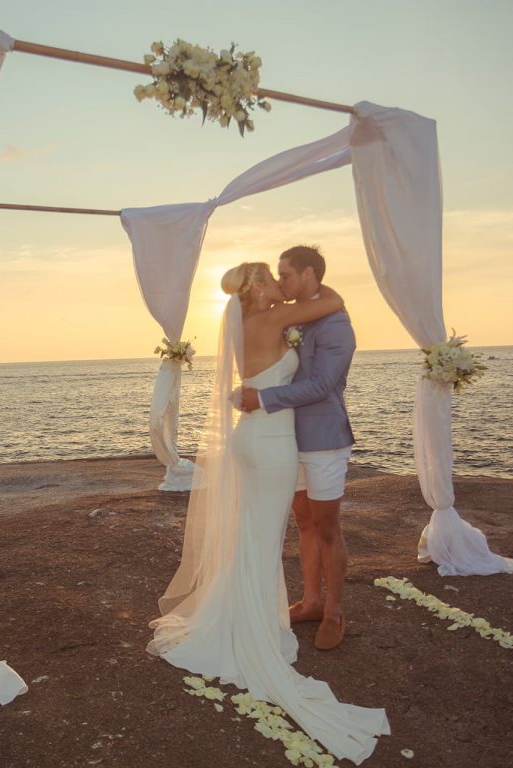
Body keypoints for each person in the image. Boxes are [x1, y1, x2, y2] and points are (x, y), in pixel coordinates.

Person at [149, 262, 389, 764]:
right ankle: (253, 629)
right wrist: (310, 284)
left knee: (253, 534)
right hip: (274, 443)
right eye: (273, 276)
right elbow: (333, 299)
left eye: (286, 274)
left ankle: (242, 616)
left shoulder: (246, 323)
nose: (280, 283)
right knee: (264, 538)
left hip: (253, 439)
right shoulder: (275, 317)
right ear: (258, 287)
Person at [240, 245, 355, 651]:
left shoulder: (336, 325)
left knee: (327, 529)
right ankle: (310, 601)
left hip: (323, 441)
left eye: (286, 274)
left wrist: (263, 398)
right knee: (303, 522)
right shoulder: (293, 316)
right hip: (286, 440)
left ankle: (334, 611)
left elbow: (322, 385)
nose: (280, 281)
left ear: (308, 274)